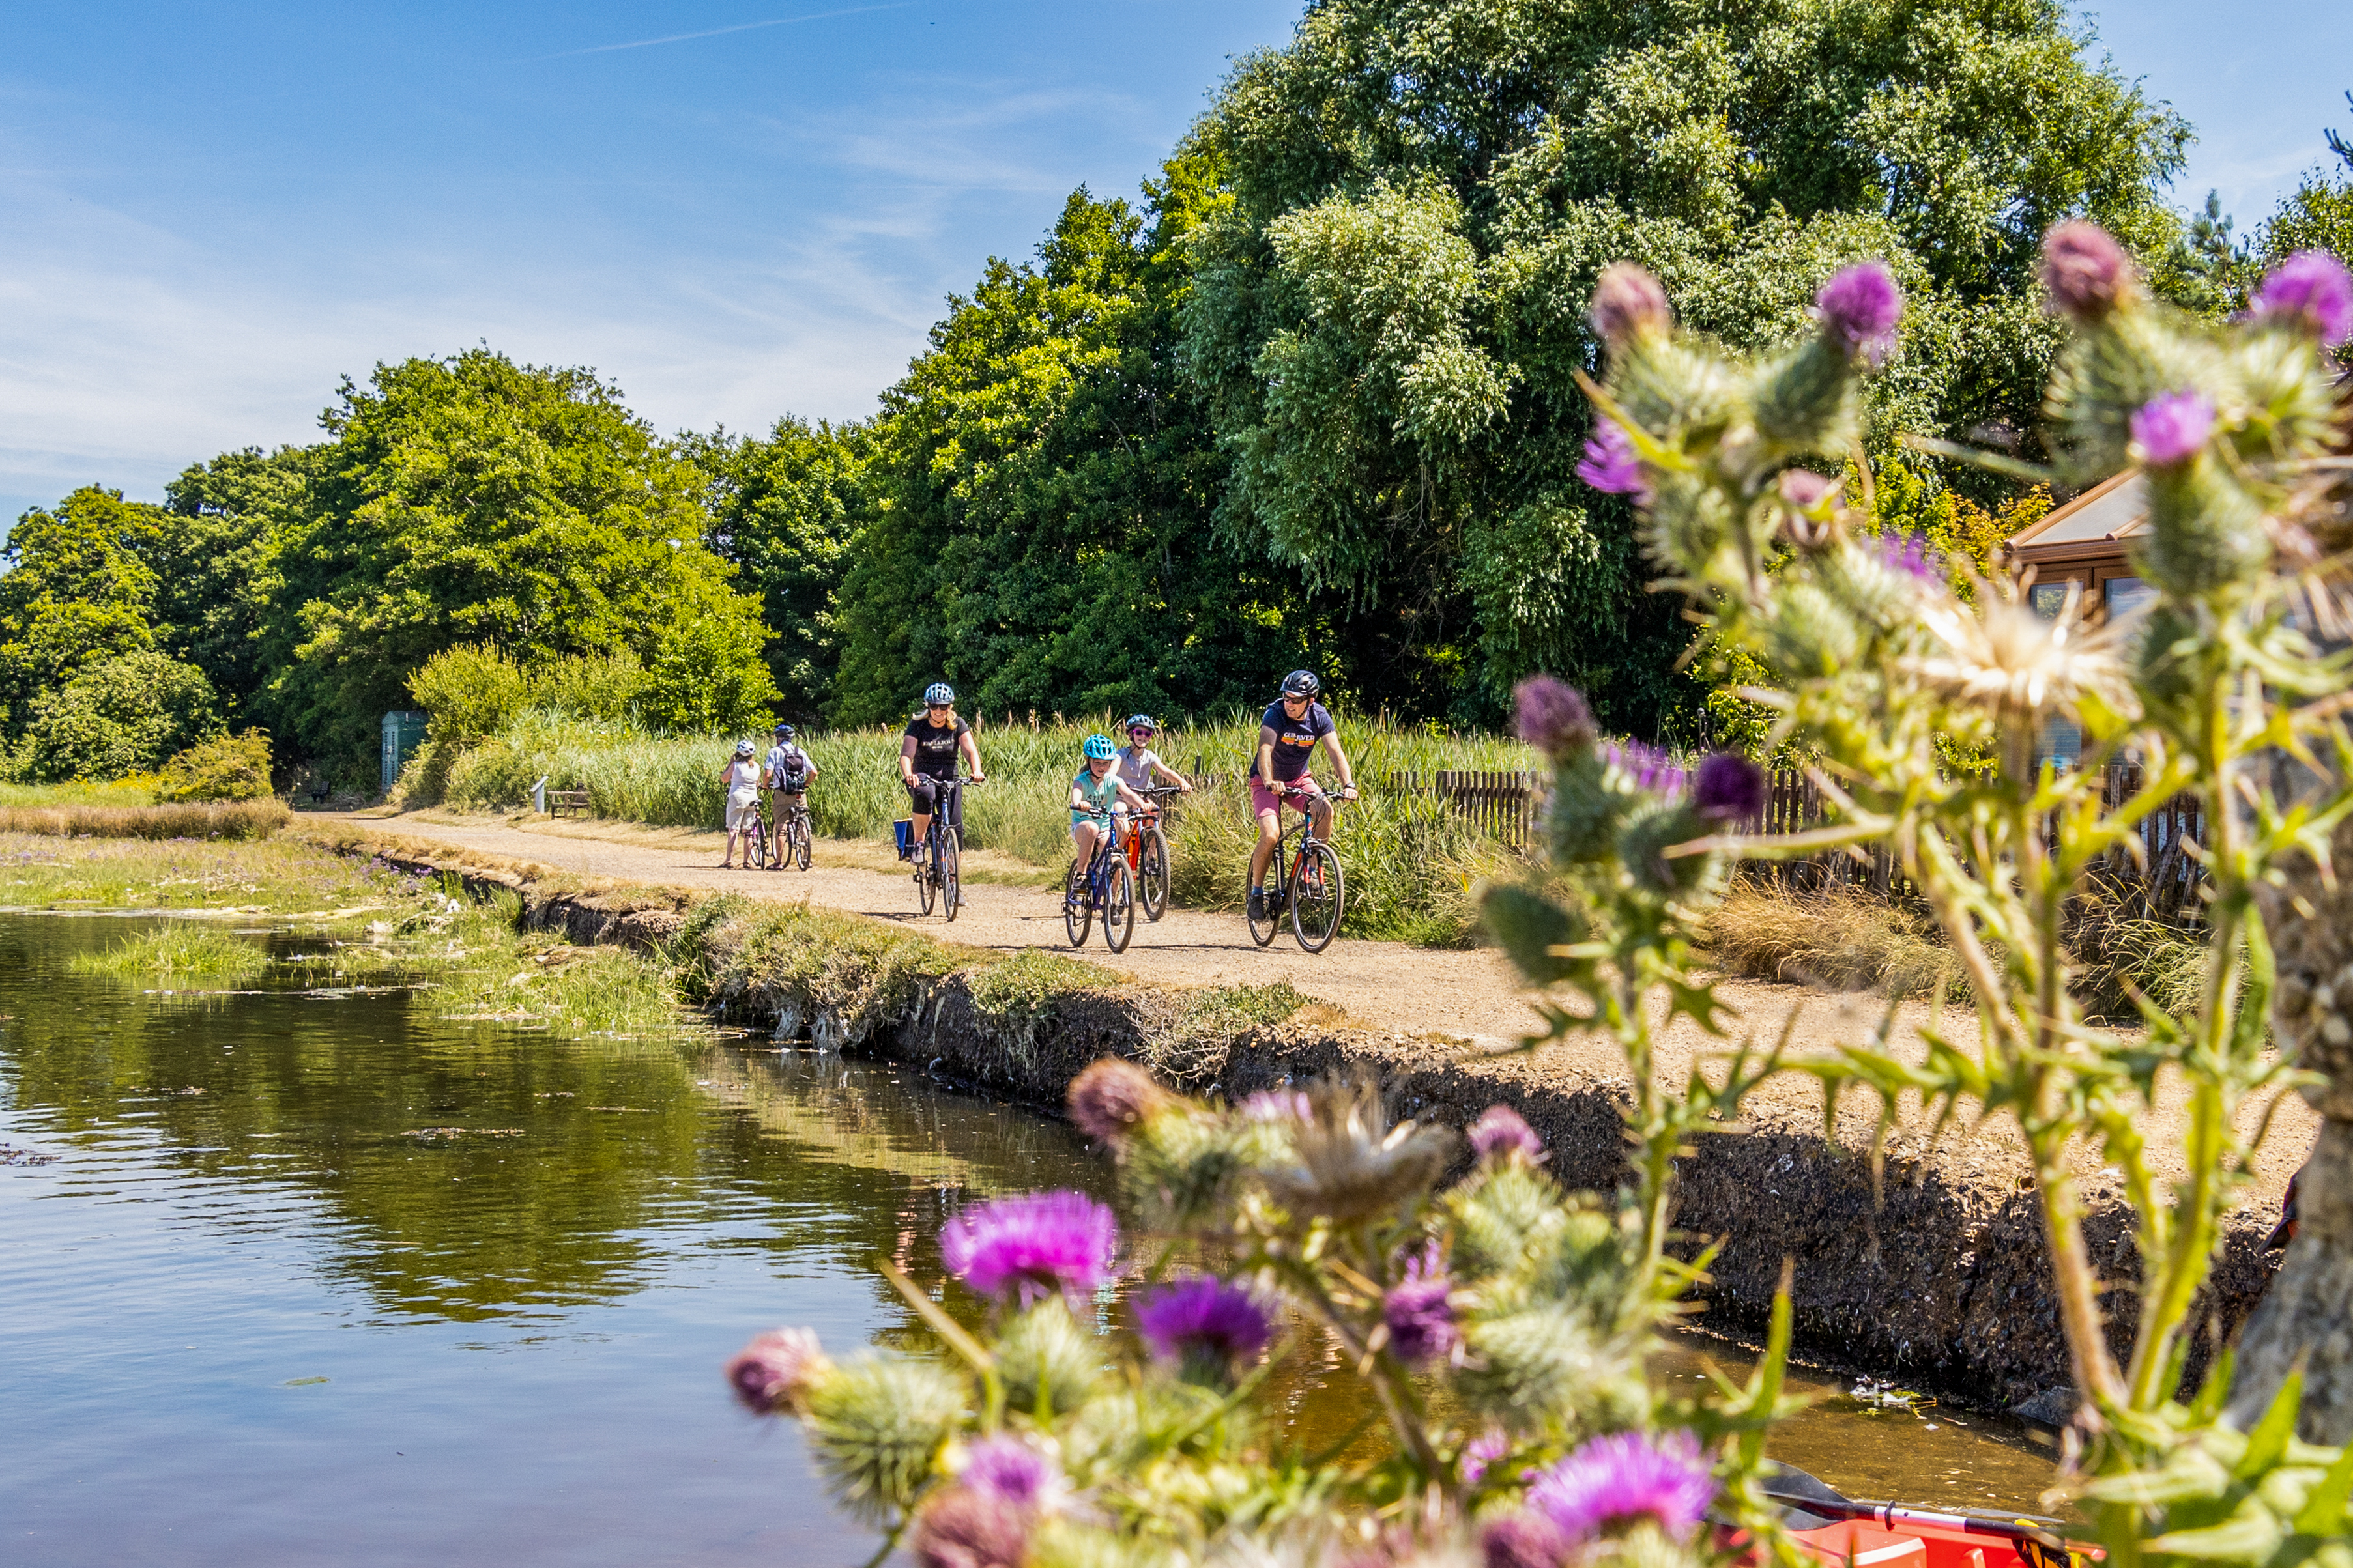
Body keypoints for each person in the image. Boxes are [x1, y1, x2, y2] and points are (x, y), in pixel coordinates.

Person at [1247, 670, 1357, 922]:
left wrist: (1348, 784)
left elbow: (1335, 752)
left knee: (1324, 809)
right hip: (1267, 781)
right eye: (1286, 698)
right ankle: (1256, 892)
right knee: (1271, 834)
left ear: (1311, 700)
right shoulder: (1275, 714)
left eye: (1296, 700)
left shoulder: (1319, 717)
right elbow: (1265, 749)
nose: (1289, 704)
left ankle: (1313, 864)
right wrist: (1269, 781)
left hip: (1298, 779)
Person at [899, 682, 986, 864]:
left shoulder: (957, 724)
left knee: (957, 826)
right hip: (923, 776)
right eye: (934, 706)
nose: (938, 711)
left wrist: (976, 771)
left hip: (949, 777)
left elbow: (970, 751)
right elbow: (906, 755)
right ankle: (919, 844)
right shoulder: (918, 726)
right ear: (928, 706)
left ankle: (953, 884)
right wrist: (909, 775)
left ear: (950, 707)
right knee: (926, 793)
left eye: (943, 707)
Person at [1070, 733, 1151, 896]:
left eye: (1106, 763)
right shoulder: (1081, 781)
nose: (1102, 767)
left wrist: (1141, 804)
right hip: (1082, 827)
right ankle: (1081, 875)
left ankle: (1113, 900)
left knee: (1116, 859)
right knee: (1091, 828)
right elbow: (1075, 798)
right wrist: (1080, 805)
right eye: (1097, 762)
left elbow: (1128, 794)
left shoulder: (1113, 780)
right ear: (1089, 761)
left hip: (1105, 830)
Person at [760, 722, 818, 870]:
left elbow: (768, 774)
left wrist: (766, 785)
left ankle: (779, 862)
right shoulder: (801, 751)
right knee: (801, 819)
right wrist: (805, 785)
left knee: (781, 825)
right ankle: (806, 857)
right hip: (800, 793)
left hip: (783, 792)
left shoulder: (775, 751)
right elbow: (814, 772)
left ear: (779, 738)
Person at [1115, 715, 1193, 799]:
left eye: (1147, 734)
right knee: (1122, 811)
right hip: (1121, 797)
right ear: (1130, 734)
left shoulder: (1150, 756)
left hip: (1141, 799)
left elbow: (1166, 772)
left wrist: (1182, 781)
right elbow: (1110, 773)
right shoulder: (1121, 755)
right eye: (1139, 732)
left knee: (1154, 810)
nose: (1143, 736)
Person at [717, 739, 764, 868]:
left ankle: (729, 860)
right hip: (752, 799)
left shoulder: (736, 766)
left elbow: (724, 779)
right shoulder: (757, 766)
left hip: (737, 798)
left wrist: (730, 762)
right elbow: (756, 784)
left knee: (733, 830)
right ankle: (746, 861)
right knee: (748, 831)